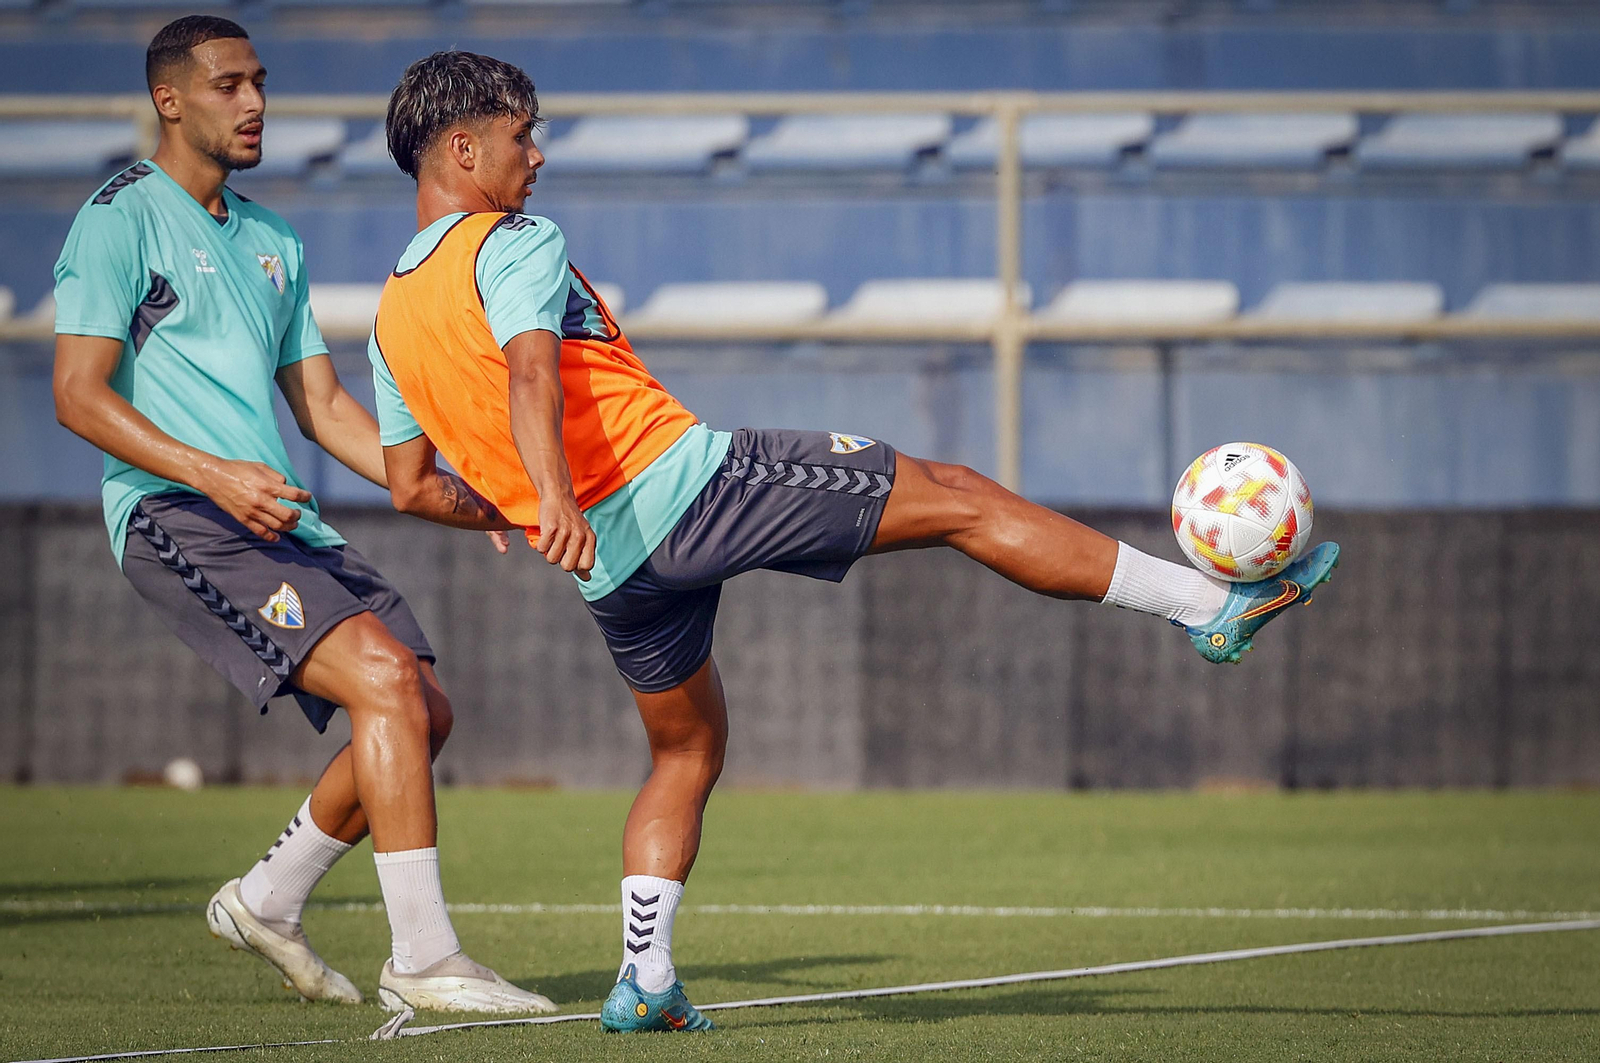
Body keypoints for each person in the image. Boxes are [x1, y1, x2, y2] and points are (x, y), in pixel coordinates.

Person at [369, 50, 1341, 1033]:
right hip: (693, 487)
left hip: (615, 568)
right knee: (959, 496)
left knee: (687, 747)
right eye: (522, 135)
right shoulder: (512, 239)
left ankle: (647, 978)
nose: (536, 154)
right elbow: (531, 375)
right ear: (465, 147)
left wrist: (521, 509)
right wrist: (550, 494)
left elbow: (410, 486)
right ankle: (1210, 605)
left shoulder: (389, 320)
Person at [50, 18, 552, 1016]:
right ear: (168, 101)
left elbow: (322, 408)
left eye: (260, 83)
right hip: (175, 508)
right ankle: (424, 957)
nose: (255, 104)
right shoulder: (117, 219)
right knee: (384, 682)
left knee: (423, 707)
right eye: (228, 85)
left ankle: (267, 899)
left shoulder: (273, 239)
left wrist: (473, 483)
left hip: (274, 517)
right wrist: (215, 474)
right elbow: (77, 394)